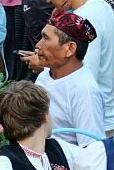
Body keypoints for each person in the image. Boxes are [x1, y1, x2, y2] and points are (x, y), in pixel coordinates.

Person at [24, 0, 114, 134]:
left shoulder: (83, 19)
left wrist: (43, 65)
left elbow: (82, 72)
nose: (46, 0)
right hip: (100, 119)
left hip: (89, 126)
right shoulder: (101, 7)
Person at [33, 11, 105, 145]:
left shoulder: (84, 92)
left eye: (46, 38)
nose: (38, 45)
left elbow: (92, 149)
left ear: (70, 48)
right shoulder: (45, 75)